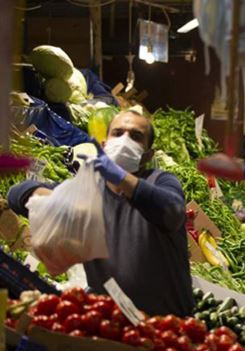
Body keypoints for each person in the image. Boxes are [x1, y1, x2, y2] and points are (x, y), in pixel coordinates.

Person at [8, 111, 194, 316]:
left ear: (148, 154)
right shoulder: (89, 191)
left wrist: (122, 178)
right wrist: (53, 199)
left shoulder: (160, 181)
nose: (125, 140)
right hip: (110, 324)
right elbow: (16, 195)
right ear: (105, 145)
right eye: (118, 133)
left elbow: (173, 213)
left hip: (169, 327)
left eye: (136, 136)